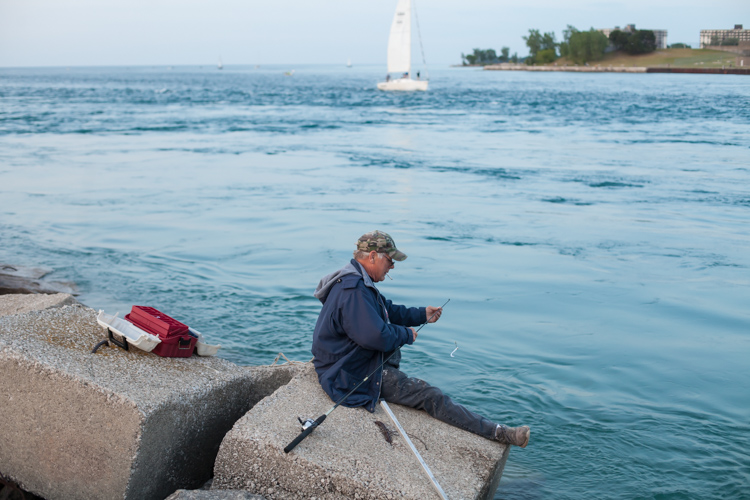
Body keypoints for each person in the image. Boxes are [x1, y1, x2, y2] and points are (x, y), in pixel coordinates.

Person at [311, 230, 530, 448]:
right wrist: (406, 334)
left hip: (347, 361)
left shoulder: (357, 281)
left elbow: (386, 309)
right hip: (347, 374)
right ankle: (499, 432)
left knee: (396, 354)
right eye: (390, 260)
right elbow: (375, 337)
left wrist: (421, 314)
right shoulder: (354, 291)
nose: (392, 266)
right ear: (372, 257)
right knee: (430, 395)